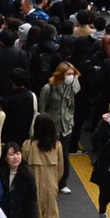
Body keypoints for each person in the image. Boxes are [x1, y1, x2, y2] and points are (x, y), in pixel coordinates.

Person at [22, 113, 66, 218]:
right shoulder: (57, 146)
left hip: (32, 190)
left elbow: (23, 167)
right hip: (50, 190)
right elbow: (61, 169)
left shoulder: (28, 145)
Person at [39, 62, 79, 194]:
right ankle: (49, 181)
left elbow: (71, 106)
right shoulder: (48, 88)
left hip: (66, 126)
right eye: (69, 74)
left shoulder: (71, 87)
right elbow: (42, 109)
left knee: (64, 155)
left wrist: (70, 120)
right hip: (52, 127)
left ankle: (62, 183)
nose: (71, 76)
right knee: (49, 155)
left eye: (72, 74)